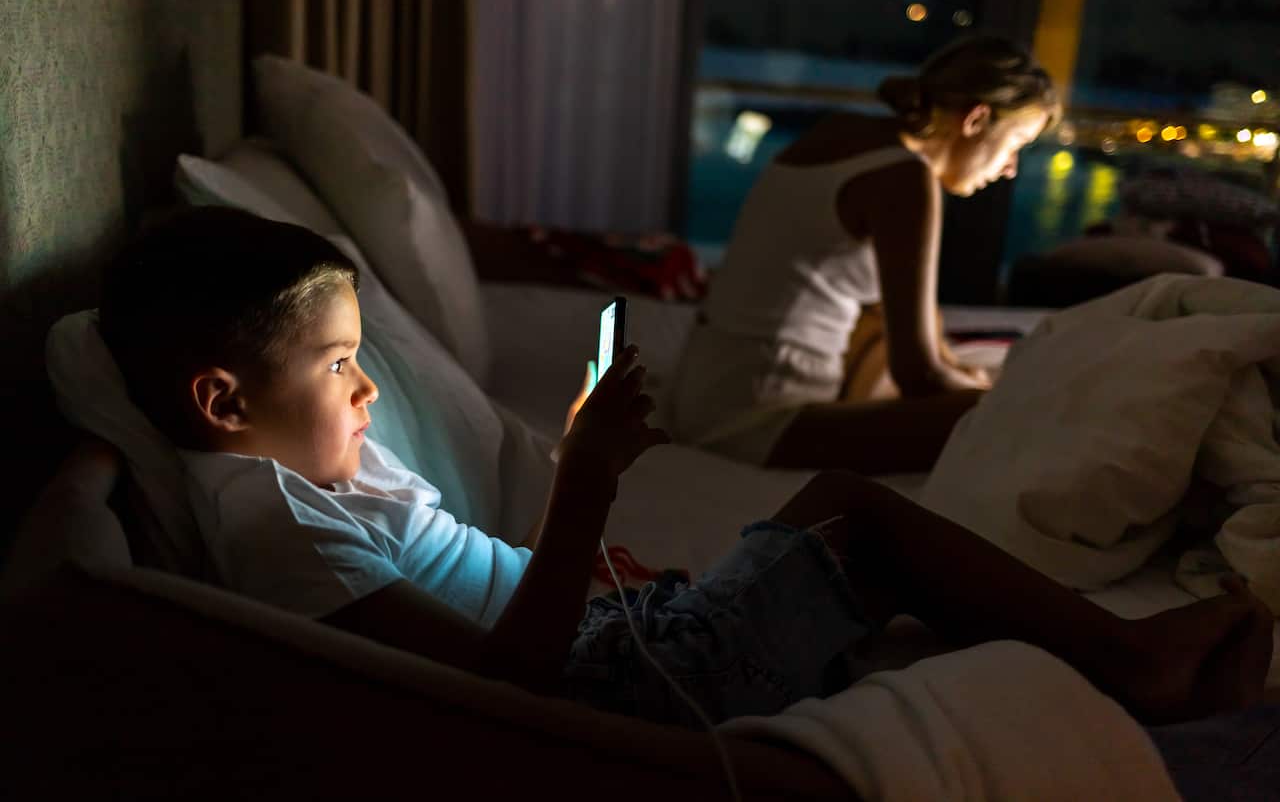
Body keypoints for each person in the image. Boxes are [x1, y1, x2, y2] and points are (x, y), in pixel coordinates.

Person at [98, 208, 1273, 792]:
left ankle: (1104, 660)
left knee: (855, 558)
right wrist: (583, 486)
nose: (364, 385)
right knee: (851, 510)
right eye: (338, 363)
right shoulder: (266, 518)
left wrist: (592, 553)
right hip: (607, 683)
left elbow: (471, 573)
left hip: (615, 629)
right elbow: (495, 686)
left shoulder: (316, 473)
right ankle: (1129, 663)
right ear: (219, 399)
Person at [668, 35, 1060, 473]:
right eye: (1016, 145)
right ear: (976, 119)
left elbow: (910, 324)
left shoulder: (841, 132)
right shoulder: (905, 179)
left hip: (703, 384)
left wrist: (961, 375)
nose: (1010, 169)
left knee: (896, 326)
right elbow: (919, 374)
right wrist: (983, 394)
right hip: (755, 413)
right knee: (1007, 418)